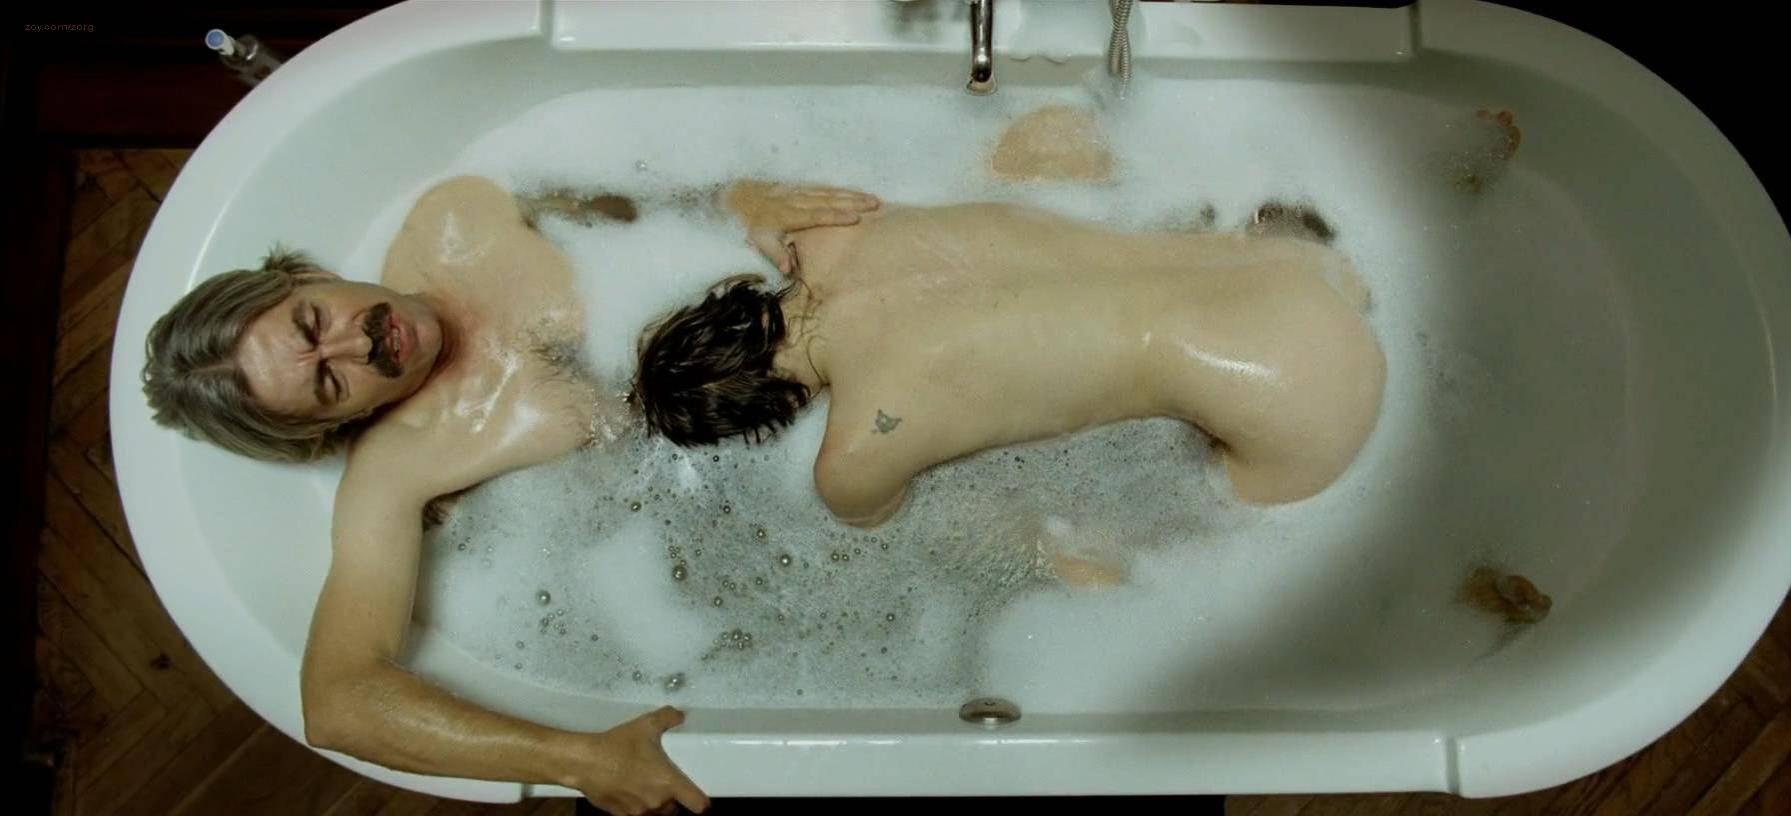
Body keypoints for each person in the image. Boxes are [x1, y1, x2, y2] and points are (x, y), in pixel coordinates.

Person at [141, 172, 878, 814]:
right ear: (329, 426)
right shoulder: (397, 470)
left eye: (313, 322)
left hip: (800, 331)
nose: (358, 343)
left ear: (302, 277)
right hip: (736, 496)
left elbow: (622, 201)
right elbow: (338, 704)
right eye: (330, 381)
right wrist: (580, 760)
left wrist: (730, 201)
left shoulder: (454, 216)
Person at [630, 107, 1386, 532]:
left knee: (1171, 530)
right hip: (1284, 258)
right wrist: (747, 202)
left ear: (777, 411)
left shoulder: (855, 457)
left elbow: (896, 523)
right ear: (727, 301)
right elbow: (736, 196)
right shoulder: (827, 224)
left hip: (1293, 383)